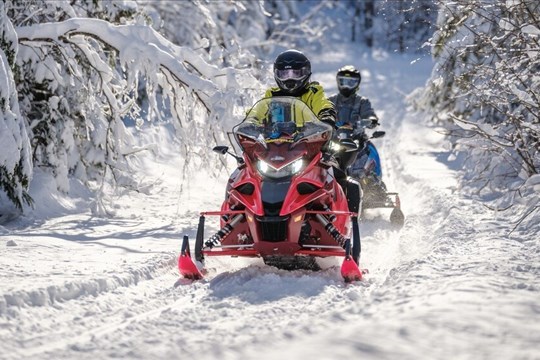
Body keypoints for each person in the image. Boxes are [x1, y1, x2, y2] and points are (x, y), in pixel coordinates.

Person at [329, 65, 387, 205]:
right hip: (336, 140)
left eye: (351, 82)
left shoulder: (362, 102)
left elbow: (369, 113)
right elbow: (322, 114)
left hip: (357, 140)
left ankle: (372, 186)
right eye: (343, 82)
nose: (347, 86)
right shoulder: (330, 101)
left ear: (357, 84)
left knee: (367, 155)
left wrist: (371, 120)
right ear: (338, 82)